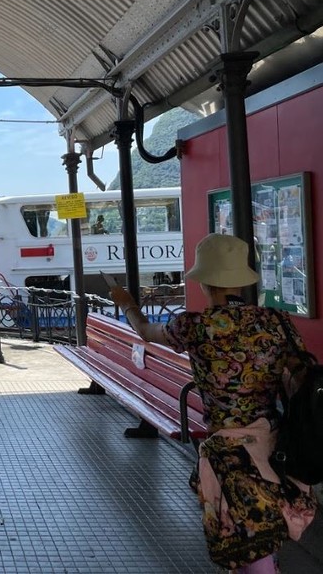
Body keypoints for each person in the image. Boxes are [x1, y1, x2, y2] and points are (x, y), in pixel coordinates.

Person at [110, 233, 317, 573]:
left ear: (205, 282)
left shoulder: (196, 326)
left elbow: (146, 332)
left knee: (242, 545)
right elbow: (299, 376)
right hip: (273, 448)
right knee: (265, 533)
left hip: (226, 454)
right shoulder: (276, 322)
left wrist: (126, 303)